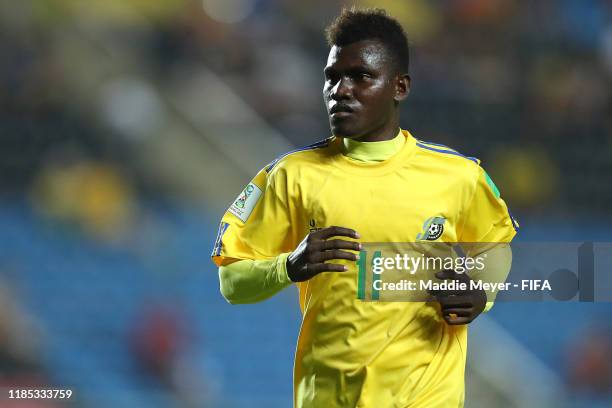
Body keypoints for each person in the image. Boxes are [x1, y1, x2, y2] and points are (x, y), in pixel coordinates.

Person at [211, 8, 517, 407]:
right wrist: (288, 266)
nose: (341, 90)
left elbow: (495, 246)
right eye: (332, 77)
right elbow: (231, 282)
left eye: (360, 77)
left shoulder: (457, 176)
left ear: (400, 86)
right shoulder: (290, 176)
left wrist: (481, 292)